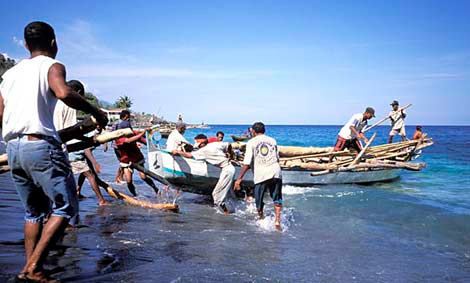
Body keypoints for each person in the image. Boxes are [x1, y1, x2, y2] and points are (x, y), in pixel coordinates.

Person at [0, 21, 108, 282]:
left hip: (13, 148)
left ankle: (31, 267)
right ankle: (34, 267)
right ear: (53, 43)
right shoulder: (52, 66)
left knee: (32, 212)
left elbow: (1, 113)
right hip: (41, 146)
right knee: (66, 207)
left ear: (26, 45)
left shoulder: (9, 75)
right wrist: (96, 111)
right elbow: (63, 92)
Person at [54, 80, 109, 206]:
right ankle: (101, 201)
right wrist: (90, 140)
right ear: (77, 93)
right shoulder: (69, 105)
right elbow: (70, 132)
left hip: (47, 147)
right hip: (62, 149)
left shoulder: (55, 102)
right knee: (69, 187)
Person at [234, 122, 283, 229]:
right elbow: (277, 158)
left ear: (253, 131)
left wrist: (239, 179)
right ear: (264, 130)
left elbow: (247, 163)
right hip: (276, 172)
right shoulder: (272, 140)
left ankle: (261, 220)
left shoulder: (251, 142)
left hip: (262, 174)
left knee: (259, 200)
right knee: (277, 198)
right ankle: (277, 221)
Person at [172, 134, 235, 214]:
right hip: (229, 168)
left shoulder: (203, 151)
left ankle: (226, 213)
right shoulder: (215, 144)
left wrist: (178, 151)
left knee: (216, 195)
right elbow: (228, 144)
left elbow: (189, 155)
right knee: (226, 193)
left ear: (201, 144)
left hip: (227, 171)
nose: (198, 147)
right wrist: (231, 155)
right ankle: (231, 209)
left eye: (198, 145)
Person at [115, 110, 159, 196]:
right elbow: (128, 141)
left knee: (143, 177)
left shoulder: (133, 133)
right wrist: (142, 133)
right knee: (129, 181)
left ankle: (155, 189)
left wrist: (152, 145)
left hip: (137, 158)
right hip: (126, 160)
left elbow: (143, 140)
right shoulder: (118, 138)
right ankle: (135, 196)